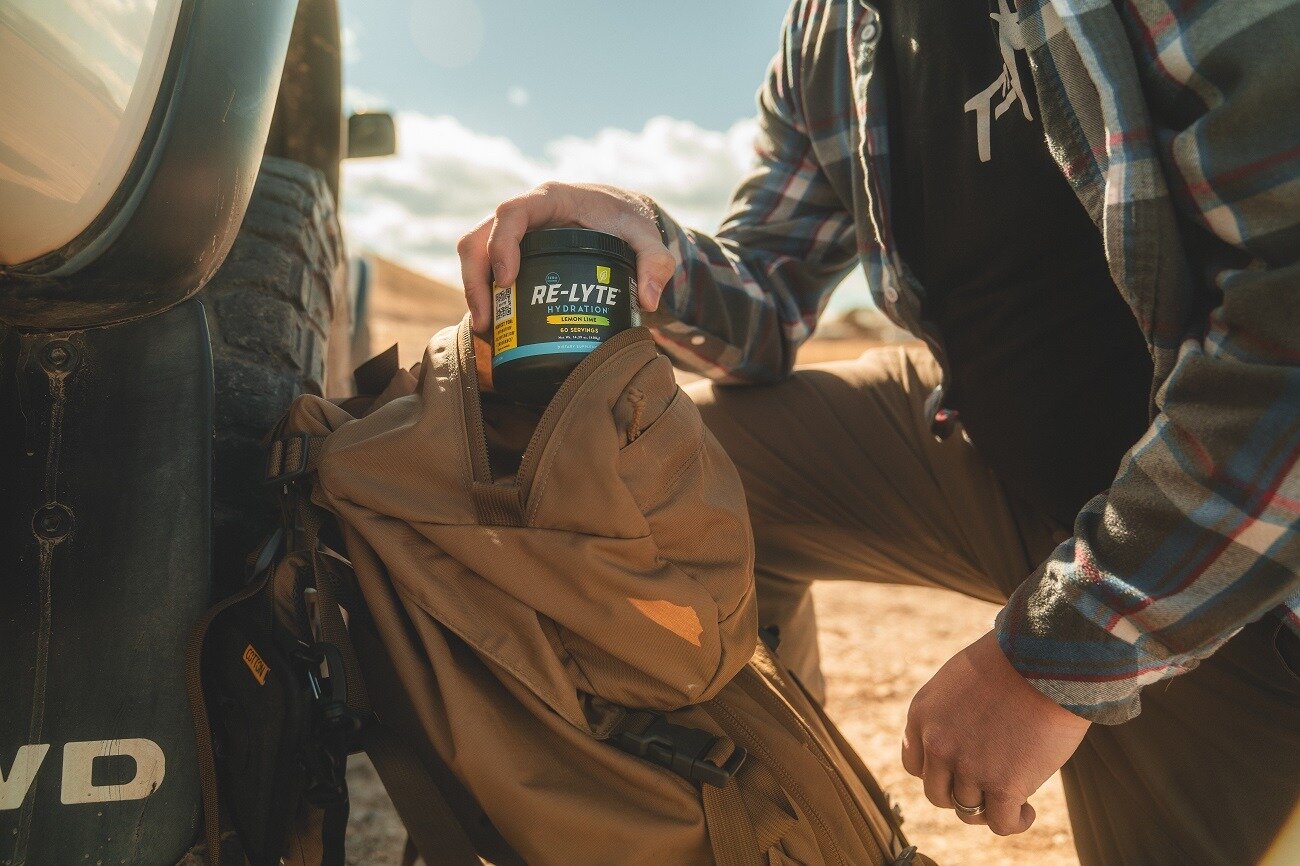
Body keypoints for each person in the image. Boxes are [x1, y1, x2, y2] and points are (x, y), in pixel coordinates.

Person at [456, 1, 1300, 862]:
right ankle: (780, 831)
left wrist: (1062, 651)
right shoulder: (833, 25)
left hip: (1231, 538)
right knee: (671, 466)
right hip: (991, 444)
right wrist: (645, 246)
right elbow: (766, 304)